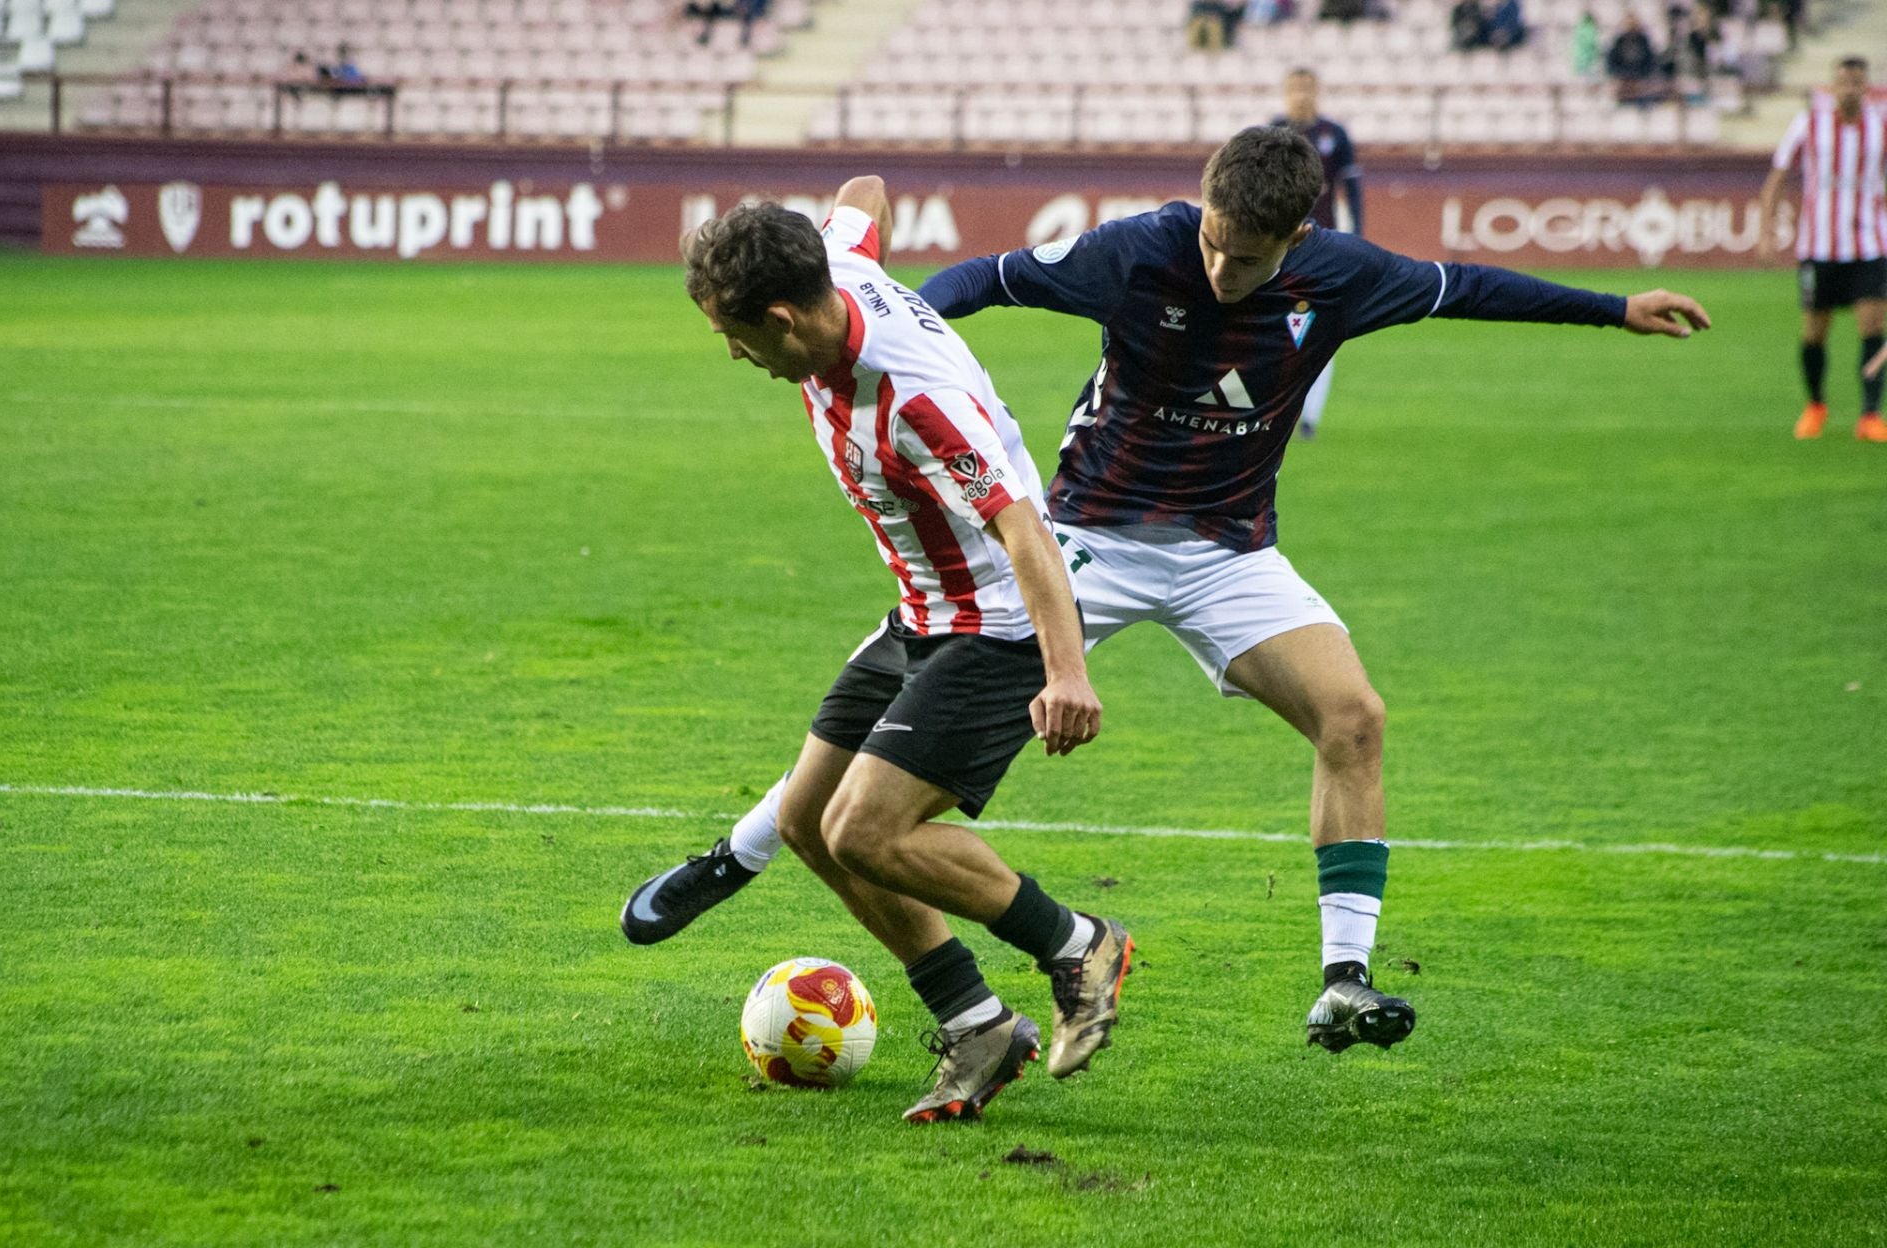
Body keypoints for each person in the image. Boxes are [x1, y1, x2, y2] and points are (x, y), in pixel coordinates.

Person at [627, 128, 1709, 1058]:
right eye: (1212, 240)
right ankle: (744, 850)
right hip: (1081, 535)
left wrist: (1615, 308)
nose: (1220, 266)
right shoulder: (1139, 249)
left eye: (1245, 257)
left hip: (1228, 547)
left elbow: (1468, 287)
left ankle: (1343, 975)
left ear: (1294, 238)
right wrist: (901, 327)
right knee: (899, 701)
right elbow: (994, 277)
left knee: (1355, 716)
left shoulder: (1341, 276)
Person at [670, 177, 1134, 1123]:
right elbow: (861, 194)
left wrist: (1066, 671)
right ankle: (977, 1024)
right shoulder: (834, 260)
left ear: (784, 316)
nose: (730, 350)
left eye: (735, 332)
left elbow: (1026, 534)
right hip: (921, 611)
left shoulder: (916, 402)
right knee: (808, 821)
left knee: (864, 830)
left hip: (997, 624)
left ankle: (1078, 941)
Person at [1759, 57, 1887, 442]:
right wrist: (1766, 233)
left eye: (1857, 82)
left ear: (1866, 87)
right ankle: (1815, 404)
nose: (1850, 88)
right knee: (1815, 332)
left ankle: (1869, 416)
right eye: (1844, 82)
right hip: (1818, 246)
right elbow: (1776, 179)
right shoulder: (1808, 124)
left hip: (1870, 244)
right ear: (1833, 87)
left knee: (1872, 326)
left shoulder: (1881, 126)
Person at [1272, 67, 1362, 438]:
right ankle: (1280, 409)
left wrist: (1358, 235)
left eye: (1307, 88)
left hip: (1323, 245)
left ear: (1317, 91)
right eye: (1295, 88)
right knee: (1277, 327)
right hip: (1279, 245)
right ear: (1286, 92)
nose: (1301, 95)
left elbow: (1353, 189)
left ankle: (1310, 417)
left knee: (1322, 329)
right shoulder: (1274, 132)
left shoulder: (1334, 135)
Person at [1606, 15, 1661, 105]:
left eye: (1632, 23)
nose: (1630, 26)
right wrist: (1623, 77)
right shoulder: (1618, 42)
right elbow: (1611, 63)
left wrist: (1641, 78)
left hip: (1642, 83)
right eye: (1628, 23)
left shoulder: (1644, 41)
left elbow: (1651, 62)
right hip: (1623, 83)